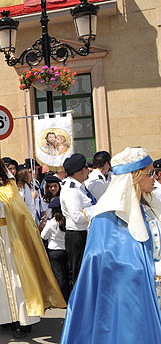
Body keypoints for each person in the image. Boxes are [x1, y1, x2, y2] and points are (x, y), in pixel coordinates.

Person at [60, 147, 161, 343]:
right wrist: (147, 269)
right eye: (150, 173)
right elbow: (103, 260)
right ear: (134, 176)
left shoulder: (149, 205)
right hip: (128, 300)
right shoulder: (106, 217)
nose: (155, 178)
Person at [0, 151, 65, 339]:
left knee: (16, 280)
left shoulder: (9, 185)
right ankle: (3, 317)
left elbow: (15, 210)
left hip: (9, 236)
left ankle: (23, 321)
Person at [59, 153, 94, 285]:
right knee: (79, 274)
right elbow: (77, 217)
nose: (88, 170)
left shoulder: (79, 187)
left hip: (83, 234)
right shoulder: (71, 190)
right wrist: (95, 211)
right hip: (77, 236)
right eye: (86, 167)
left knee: (85, 272)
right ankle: (78, 304)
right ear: (79, 171)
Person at [40, 198, 70, 301]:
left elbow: (43, 236)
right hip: (66, 250)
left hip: (54, 252)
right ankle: (68, 296)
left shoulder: (51, 223)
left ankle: (61, 298)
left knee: (59, 275)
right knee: (67, 274)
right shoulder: (68, 220)